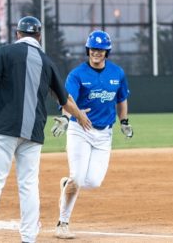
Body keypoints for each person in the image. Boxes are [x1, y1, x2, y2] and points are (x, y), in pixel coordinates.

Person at [0, 16, 91, 243]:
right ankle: (28, 237)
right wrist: (81, 116)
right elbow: (65, 100)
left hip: (4, 129)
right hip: (33, 133)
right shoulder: (46, 62)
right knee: (28, 185)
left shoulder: (5, 53)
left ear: (17, 34)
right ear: (39, 37)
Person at [49, 30, 133, 239]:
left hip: (104, 135)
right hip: (81, 130)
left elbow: (122, 100)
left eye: (101, 50)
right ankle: (63, 223)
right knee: (77, 178)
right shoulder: (77, 74)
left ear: (107, 52)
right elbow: (68, 100)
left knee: (94, 181)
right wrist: (66, 118)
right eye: (93, 49)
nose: (97, 53)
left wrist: (124, 121)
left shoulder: (117, 73)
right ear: (88, 50)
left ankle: (67, 184)